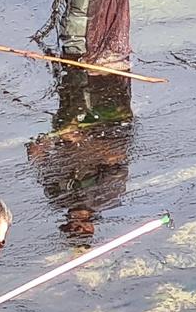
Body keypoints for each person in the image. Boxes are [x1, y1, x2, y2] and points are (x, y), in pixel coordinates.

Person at [26, 67, 134, 242]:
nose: (74, 225)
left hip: (68, 128)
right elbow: (118, 155)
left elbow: (41, 166)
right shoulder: (107, 197)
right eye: (79, 229)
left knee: (69, 84)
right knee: (103, 77)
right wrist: (82, 141)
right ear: (91, 228)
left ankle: (70, 61)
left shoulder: (56, 198)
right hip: (104, 121)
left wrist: (36, 151)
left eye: (69, 228)